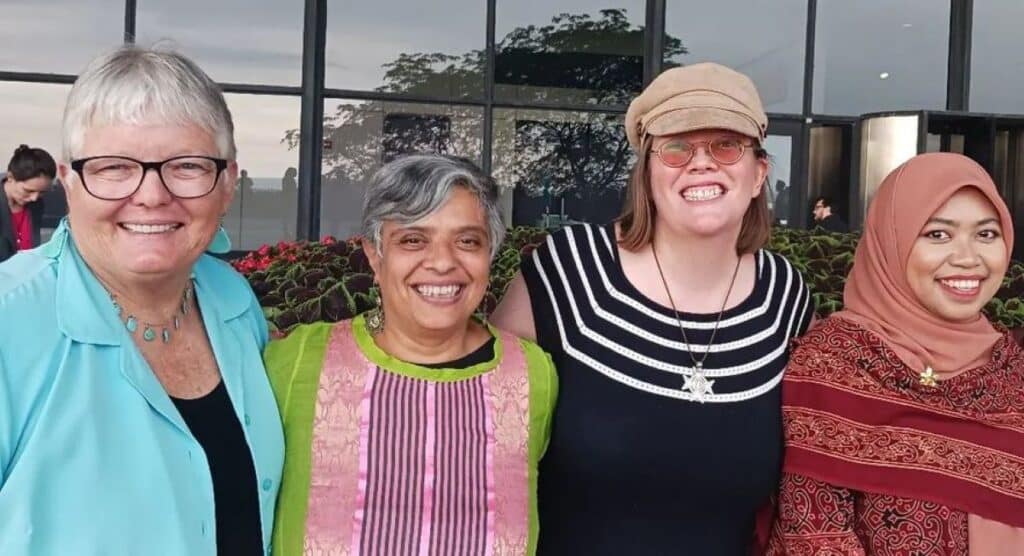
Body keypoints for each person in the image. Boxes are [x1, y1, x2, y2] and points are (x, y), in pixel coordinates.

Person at [491, 63, 814, 554]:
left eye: (726, 145)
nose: (701, 163)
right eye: (677, 147)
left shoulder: (784, 297)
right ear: (646, 172)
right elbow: (480, 434)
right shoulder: (569, 272)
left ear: (758, 174)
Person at [0, 46, 283, 554]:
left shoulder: (233, 300)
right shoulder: (9, 321)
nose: (152, 195)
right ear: (68, 180)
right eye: (113, 167)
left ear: (229, 183)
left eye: (188, 166)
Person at [266, 154, 557, 555]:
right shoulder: (295, 362)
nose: (442, 262)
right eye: (413, 240)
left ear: (491, 253)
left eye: (468, 241)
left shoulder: (532, 375)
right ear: (373, 253)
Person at [769, 153, 1024, 555]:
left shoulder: (1011, 369)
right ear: (891, 241)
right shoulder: (836, 363)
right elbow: (815, 535)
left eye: (986, 234)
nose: (968, 258)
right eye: (938, 235)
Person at [0, 144, 55, 262]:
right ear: (10, 177)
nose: (34, 198)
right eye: (28, 190)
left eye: (41, 192)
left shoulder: (36, 205)